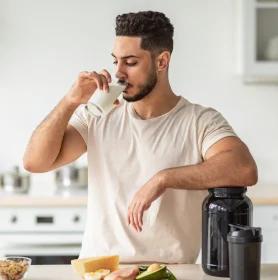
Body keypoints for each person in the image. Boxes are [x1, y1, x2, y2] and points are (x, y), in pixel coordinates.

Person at [23, 11, 258, 264]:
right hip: (99, 271)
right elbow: (35, 162)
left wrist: (163, 178)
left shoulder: (200, 121)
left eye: (130, 62)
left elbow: (244, 169)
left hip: (168, 273)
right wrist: (69, 101)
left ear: (162, 61)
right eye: (116, 61)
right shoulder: (99, 114)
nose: (119, 73)